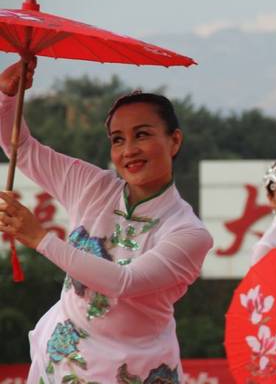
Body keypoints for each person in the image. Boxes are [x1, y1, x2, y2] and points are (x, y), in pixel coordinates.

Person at [0, 59, 213, 383]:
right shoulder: (91, 186)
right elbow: (23, 149)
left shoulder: (188, 232)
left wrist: (40, 238)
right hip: (61, 366)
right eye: (117, 139)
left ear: (175, 141)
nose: (129, 150)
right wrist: (6, 96)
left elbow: (123, 283)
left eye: (141, 135)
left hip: (135, 372)